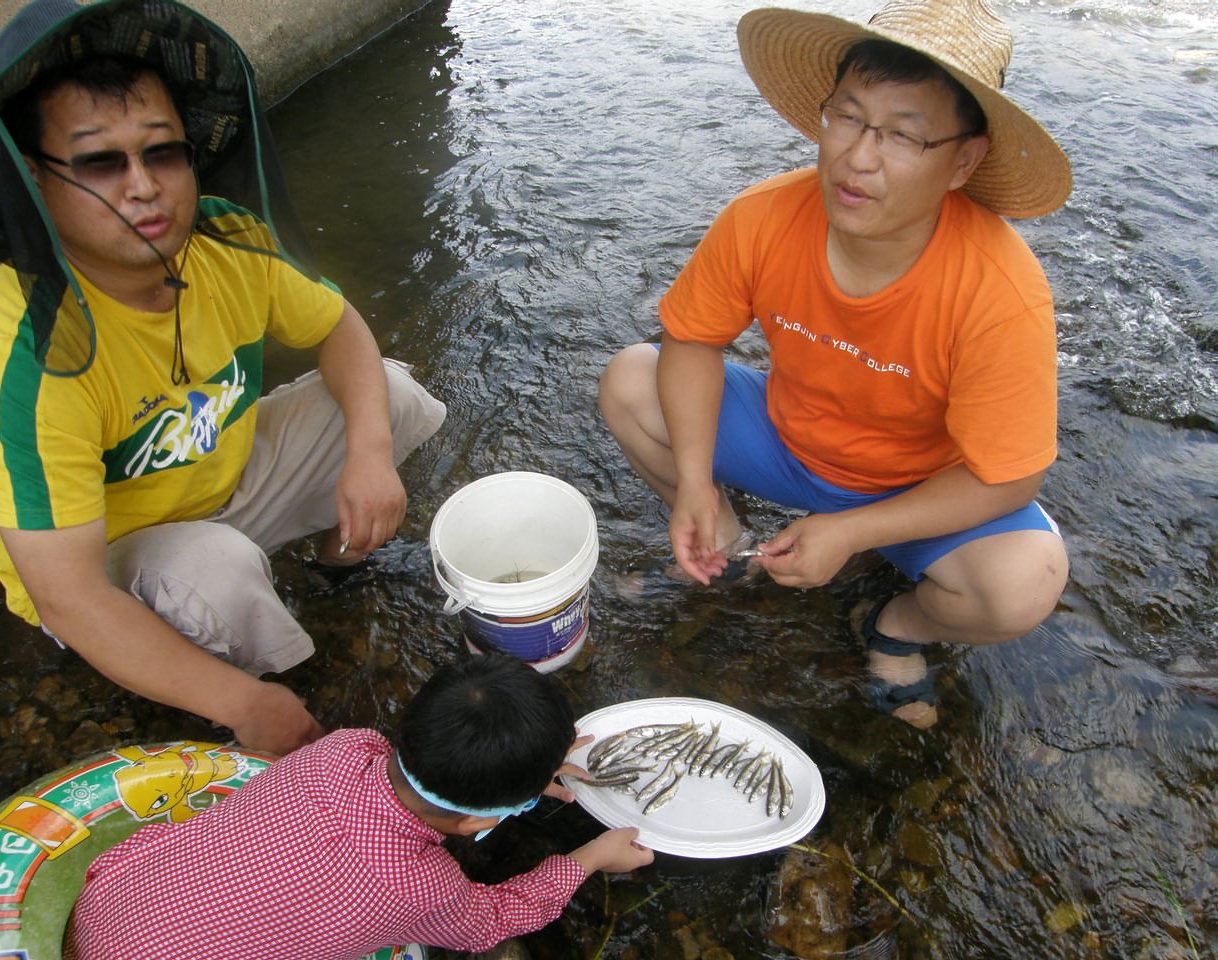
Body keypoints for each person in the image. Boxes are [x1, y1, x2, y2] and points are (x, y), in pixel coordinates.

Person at [0, 0, 446, 755]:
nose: (143, 186)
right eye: (100, 163)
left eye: (162, 153)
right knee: (217, 571)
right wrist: (246, 701)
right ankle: (283, 690)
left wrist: (369, 457)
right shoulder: (20, 353)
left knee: (391, 397)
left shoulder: (227, 238)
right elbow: (70, 597)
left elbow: (339, 327)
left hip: (222, 482)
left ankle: (339, 572)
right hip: (115, 563)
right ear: (34, 183)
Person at [598, 0, 1072, 728]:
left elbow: (1011, 476)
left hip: (916, 487)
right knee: (631, 377)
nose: (857, 157)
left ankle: (896, 625)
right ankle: (717, 537)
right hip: (789, 442)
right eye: (847, 117)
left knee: (1023, 584)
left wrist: (851, 533)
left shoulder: (998, 289)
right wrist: (693, 481)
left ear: (964, 161)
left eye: (904, 136)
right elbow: (692, 340)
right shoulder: (762, 216)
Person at [65, 653, 654, 959]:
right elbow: (491, 922)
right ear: (479, 822)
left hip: (100, 909)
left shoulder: (344, 748)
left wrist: (525, 768)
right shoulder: (418, 887)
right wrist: (590, 858)